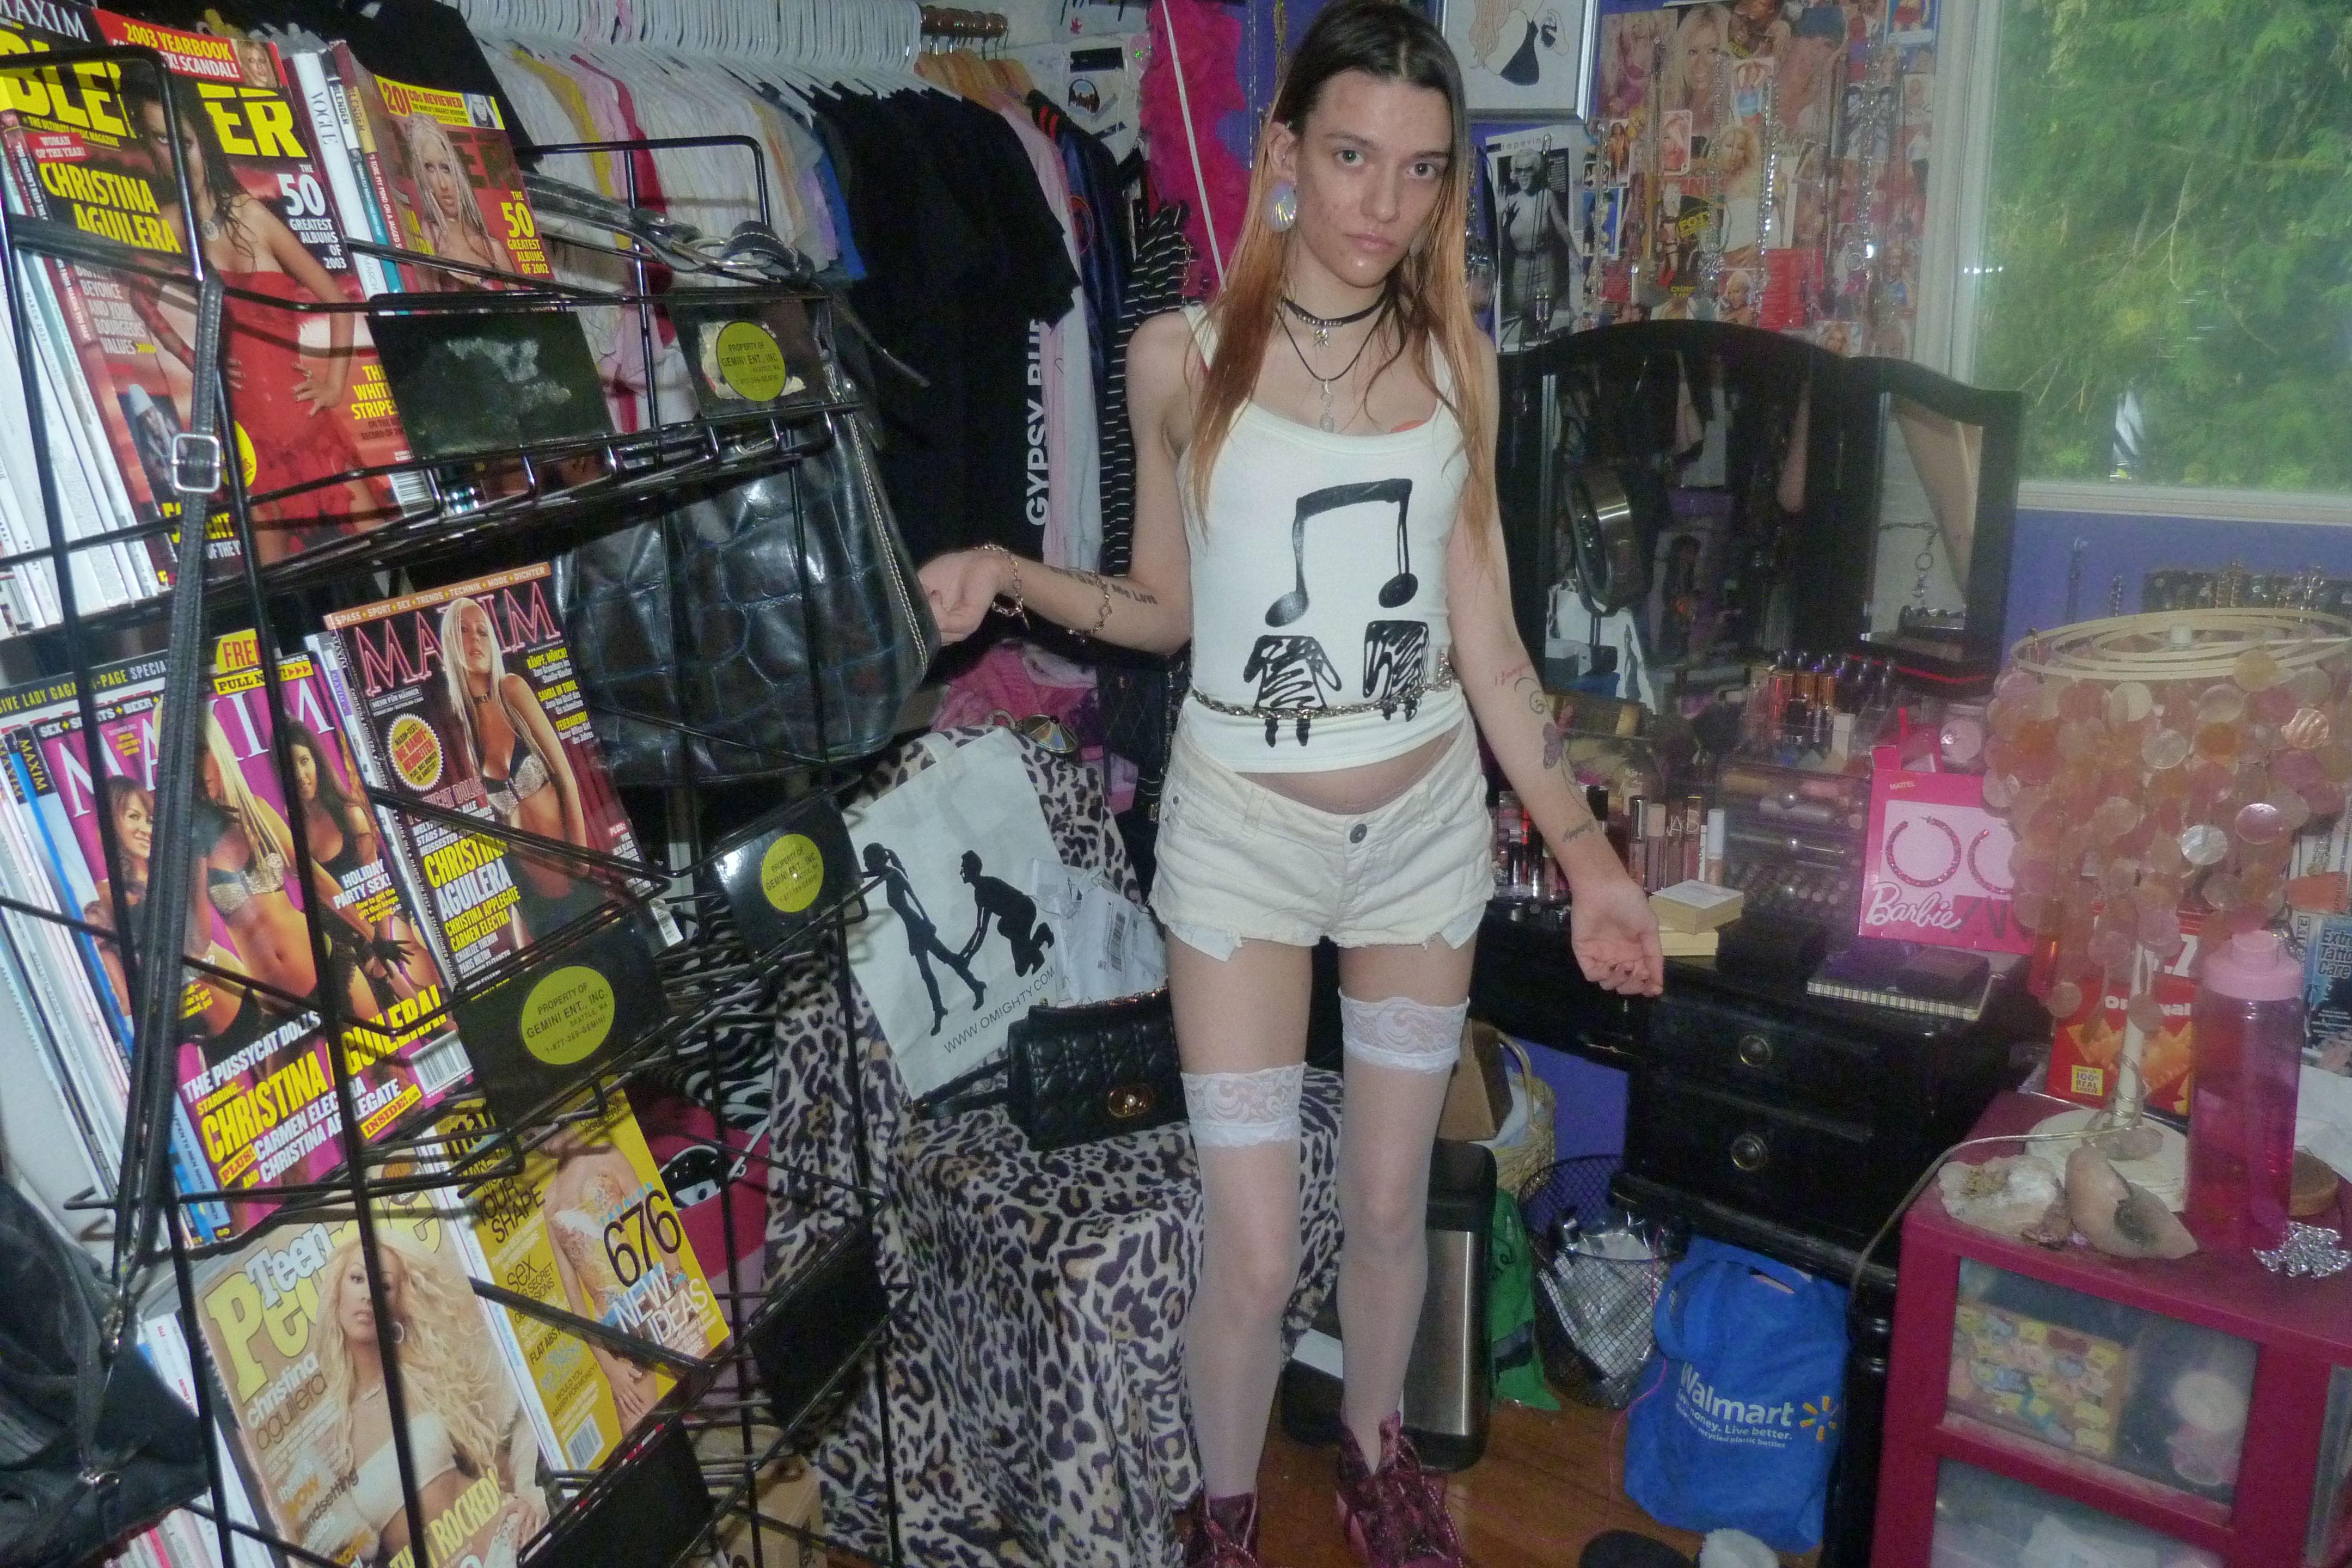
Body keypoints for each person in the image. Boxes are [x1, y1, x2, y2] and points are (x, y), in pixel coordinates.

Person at [917, 5, 1662, 1564]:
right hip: (1243, 846)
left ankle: (1381, 1462)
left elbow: (1490, 646)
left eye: (1420, 169)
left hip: (1420, 843)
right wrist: (1012, 572)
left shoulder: (1459, 365)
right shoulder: (1177, 359)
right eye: (1350, 156)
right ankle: (1226, 1511)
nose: (1382, 202)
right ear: (1282, 154)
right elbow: (1162, 611)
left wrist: (1592, 860)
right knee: (1254, 1256)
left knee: (1391, 1212)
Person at [124, 76, 384, 562]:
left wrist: (333, 385)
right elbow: (139, 297)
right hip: (244, 430)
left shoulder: (254, 214)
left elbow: (337, 298)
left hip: (306, 422)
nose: (175, 154)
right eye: (159, 139)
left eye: (183, 140)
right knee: (272, 580)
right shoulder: (167, 225)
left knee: (383, 554)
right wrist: (199, 360)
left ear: (203, 142)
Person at [302, 1234, 548, 1568]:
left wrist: (529, 1492)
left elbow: (515, 1410)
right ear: (337, 1292)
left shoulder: (426, 1373)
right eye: (357, 1279)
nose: (368, 1295)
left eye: (384, 1286)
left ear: (399, 1302)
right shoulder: (327, 1431)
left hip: (506, 1542)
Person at [438, 595, 602, 945]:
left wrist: (582, 860)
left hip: (574, 873)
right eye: (463, 631)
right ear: (450, 644)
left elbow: (566, 777)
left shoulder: (512, 689)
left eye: (482, 631)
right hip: (528, 887)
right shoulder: (463, 726)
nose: (475, 639)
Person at [285, 718, 437, 1015]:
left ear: (317, 761)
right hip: (333, 939)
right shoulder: (291, 825)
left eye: (304, 761)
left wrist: (379, 953)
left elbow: (377, 888)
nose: (301, 776)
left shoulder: (350, 815)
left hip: (376, 923)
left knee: (419, 1005)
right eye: (291, 768)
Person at [860, 841, 987, 1034]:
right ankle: (941, 1008)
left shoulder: (894, 875)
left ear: (876, 860)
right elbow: (869, 876)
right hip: (913, 929)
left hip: (919, 927)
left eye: (867, 860)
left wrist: (928, 922)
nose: (866, 864)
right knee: (929, 972)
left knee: (948, 959)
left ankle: (975, 987)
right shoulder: (887, 874)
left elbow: (914, 899)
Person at [403, 116, 507, 283]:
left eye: (446, 168)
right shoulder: (425, 239)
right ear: (421, 177)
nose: (443, 185)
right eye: (429, 169)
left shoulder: (494, 251)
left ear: (459, 172)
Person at [1497, 152, 1578, 349]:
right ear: (1514, 174)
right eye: (1519, 170)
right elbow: (1499, 245)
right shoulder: (1510, 201)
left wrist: (1575, 254)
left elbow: (1562, 227)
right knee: (1525, 315)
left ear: (1536, 171)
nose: (1524, 175)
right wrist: (1500, 213)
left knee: (1544, 317)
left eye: (1529, 170)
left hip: (1545, 263)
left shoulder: (1546, 196)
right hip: (1521, 267)